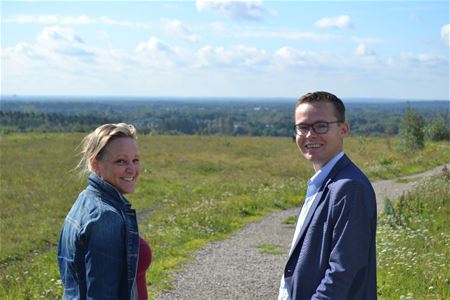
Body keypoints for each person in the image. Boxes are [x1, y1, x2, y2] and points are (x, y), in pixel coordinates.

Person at [278, 92, 377, 300]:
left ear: (343, 130)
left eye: (321, 126)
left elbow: (342, 271)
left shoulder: (349, 187)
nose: (310, 135)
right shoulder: (325, 182)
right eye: (303, 127)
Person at [57, 123, 151, 300]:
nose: (132, 169)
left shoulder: (85, 199)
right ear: (95, 164)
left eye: (135, 160)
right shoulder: (105, 217)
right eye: (121, 161)